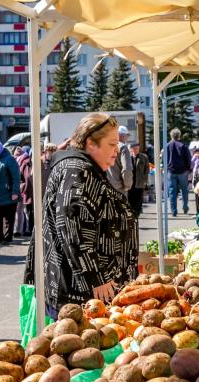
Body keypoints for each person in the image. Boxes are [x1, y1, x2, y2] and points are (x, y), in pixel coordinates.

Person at [36, 113, 137, 312]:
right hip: (83, 297)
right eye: (111, 144)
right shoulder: (78, 172)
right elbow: (72, 229)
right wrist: (96, 277)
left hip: (87, 293)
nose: (116, 151)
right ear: (91, 143)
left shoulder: (83, 168)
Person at [0, 139, 21, 245]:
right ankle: (0, 236)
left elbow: (16, 176)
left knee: (8, 217)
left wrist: (15, 192)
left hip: (8, 194)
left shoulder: (9, 159)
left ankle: (7, 237)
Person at [165, 128, 192, 217]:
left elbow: (164, 159)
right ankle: (185, 207)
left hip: (171, 171)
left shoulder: (167, 145)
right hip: (183, 171)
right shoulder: (183, 145)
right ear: (179, 135)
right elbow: (188, 158)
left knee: (172, 191)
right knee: (184, 190)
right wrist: (189, 169)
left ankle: (174, 210)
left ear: (171, 136)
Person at [106, 125, 135, 195]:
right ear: (122, 136)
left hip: (106, 186)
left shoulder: (106, 146)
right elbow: (127, 169)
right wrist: (127, 186)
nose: (127, 138)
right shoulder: (123, 147)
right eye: (127, 136)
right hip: (119, 188)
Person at [15, 146, 34, 238]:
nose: (16, 156)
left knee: (24, 211)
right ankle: (24, 229)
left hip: (25, 190)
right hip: (24, 189)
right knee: (24, 211)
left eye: (17, 154)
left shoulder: (25, 162)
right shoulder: (23, 161)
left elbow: (27, 178)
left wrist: (25, 189)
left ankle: (25, 230)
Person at [129, 142, 150, 217]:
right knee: (130, 200)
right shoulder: (128, 157)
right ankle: (132, 214)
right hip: (130, 183)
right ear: (131, 149)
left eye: (137, 148)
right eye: (134, 149)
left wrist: (145, 181)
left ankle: (136, 214)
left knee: (138, 200)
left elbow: (147, 170)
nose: (136, 150)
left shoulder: (144, 157)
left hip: (139, 182)